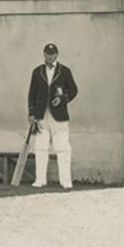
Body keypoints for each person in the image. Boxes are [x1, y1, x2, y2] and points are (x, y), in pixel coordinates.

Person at [27, 42, 78, 190]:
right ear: (44, 54)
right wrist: (32, 113)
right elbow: (32, 94)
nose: (49, 57)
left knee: (62, 148)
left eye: (52, 54)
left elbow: (73, 90)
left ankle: (66, 181)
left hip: (59, 116)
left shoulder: (65, 71)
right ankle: (40, 180)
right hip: (41, 115)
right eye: (47, 54)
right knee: (41, 148)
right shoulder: (37, 72)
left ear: (57, 54)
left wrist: (62, 99)